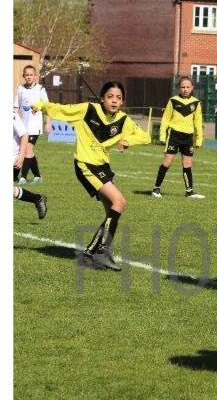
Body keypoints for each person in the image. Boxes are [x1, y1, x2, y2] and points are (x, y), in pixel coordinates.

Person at [31, 81, 150, 270]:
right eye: (110, 96)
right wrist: (41, 105)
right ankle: (102, 252)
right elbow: (62, 109)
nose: (114, 101)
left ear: (122, 102)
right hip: (85, 164)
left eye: (118, 98)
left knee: (112, 210)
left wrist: (128, 140)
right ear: (102, 98)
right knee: (119, 201)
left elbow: (145, 136)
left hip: (103, 166)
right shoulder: (88, 110)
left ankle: (90, 254)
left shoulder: (123, 120)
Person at [151, 76, 204, 199]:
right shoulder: (173, 101)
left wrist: (199, 139)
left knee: (187, 164)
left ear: (192, 88)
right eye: (183, 87)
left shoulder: (196, 103)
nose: (185, 89)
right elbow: (165, 119)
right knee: (167, 161)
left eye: (188, 87)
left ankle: (189, 191)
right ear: (179, 88)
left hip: (188, 137)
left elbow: (198, 122)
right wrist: (162, 135)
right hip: (174, 135)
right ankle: (156, 189)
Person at [14, 65, 51, 186]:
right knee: (28, 151)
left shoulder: (40, 89)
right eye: (27, 75)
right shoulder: (20, 89)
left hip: (35, 127)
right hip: (23, 127)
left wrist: (48, 122)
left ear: (35, 76)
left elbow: (47, 107)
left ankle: (23, 178)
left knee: (27, 149)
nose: (29, 77)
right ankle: (38, 176)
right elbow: (16, 107)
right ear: (23, 76)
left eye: (31, 75)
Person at [13, 110, 47, 219]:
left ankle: (37, 198)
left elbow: (24, 135)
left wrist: (21, 156)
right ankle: (37, 199)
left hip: (12, 158)